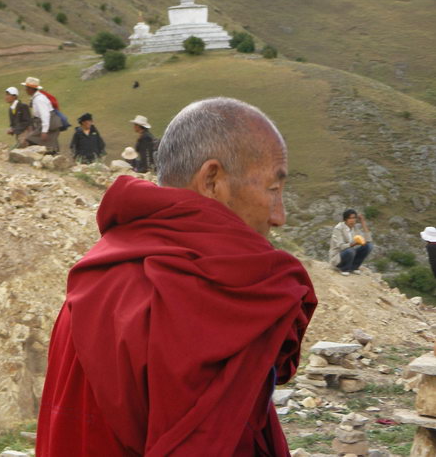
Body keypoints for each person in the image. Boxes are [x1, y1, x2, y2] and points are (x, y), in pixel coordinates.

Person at [37, 97, 317, 456]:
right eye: (273, 190)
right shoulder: (207, 298)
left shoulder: (100, 270)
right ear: (212, 180)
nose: (280, 216)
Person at [329, 209, 373, 276]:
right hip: (338, 257)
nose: (352, 220)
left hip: (350, 253)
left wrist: (363, 222)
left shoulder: (354, 229)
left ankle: (354, 267)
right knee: (350, 250)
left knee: (368, 246)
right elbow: (341, 246)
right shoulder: (338, 229)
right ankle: (344, 269)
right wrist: (354, 244)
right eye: (350, 218)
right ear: (345, 219)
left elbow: (368, 240)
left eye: (354, 218)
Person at [22, 77, 60, 154]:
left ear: (31, 89)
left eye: (26, 87)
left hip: (49, 125)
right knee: (48, 146)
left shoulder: (39, 99)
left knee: (31, 140)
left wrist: (44, 131)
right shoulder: (36, 98)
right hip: (47, 124)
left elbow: (45, 115)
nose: (25, 89)